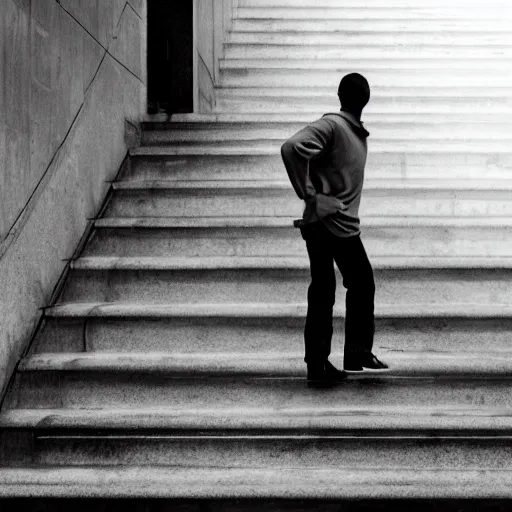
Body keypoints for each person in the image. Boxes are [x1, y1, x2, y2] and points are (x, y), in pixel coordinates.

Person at [281, 73, 388, 387]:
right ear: (363, 98)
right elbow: (291, 147)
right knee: (327, 289)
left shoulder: (353, 131)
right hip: (323, 225)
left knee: (356, 284)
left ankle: (353, 356)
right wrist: (311, 195)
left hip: (342, 227)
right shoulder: (333, 125)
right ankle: (320, 364)